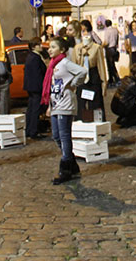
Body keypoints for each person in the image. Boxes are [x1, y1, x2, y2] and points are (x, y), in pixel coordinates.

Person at [43, 37, 87, 184]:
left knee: (64, 136)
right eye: (49, 47)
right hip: (55, 104)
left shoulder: (65, 63)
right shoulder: (52, 65)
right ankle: (72, 164)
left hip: (66, 103)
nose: (49, 49)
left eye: (53, 47)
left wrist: (73, 84)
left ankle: (65, 169)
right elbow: (52, 87)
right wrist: (49, 106)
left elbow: (82, 72)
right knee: (56, 136)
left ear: (62, 50)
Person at [72, 20, 107, 122]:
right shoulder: (77, 48)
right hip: (81, 77)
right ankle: (81, 123)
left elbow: (101, 66)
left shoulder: (97, 48)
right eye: (83, 31)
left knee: (95, 103)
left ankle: (97, 123)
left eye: (86, 30)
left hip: (93, 76)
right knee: (81, 103)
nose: (85, 33)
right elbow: (74, 66)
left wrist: (104, 83)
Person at [23, 38, 48, 139]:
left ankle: (29, 130)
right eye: (39, 45)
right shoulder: (35, 58)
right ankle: (33, 130)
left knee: (31, 109)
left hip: (31, 87)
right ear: (34, 47)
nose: (41, 46)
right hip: (36, 88)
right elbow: (38, 74)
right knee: (35, 110)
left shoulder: (31, 57)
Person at [102, 20, 121, 86]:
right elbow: (117, 39)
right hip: (114, 48)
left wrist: (101, 46)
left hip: (109, 49)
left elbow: (106, 42)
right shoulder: (115, 30)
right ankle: (112, 79)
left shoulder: (107, 31)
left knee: (110, 66)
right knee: (112, 65)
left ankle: (114, 79)